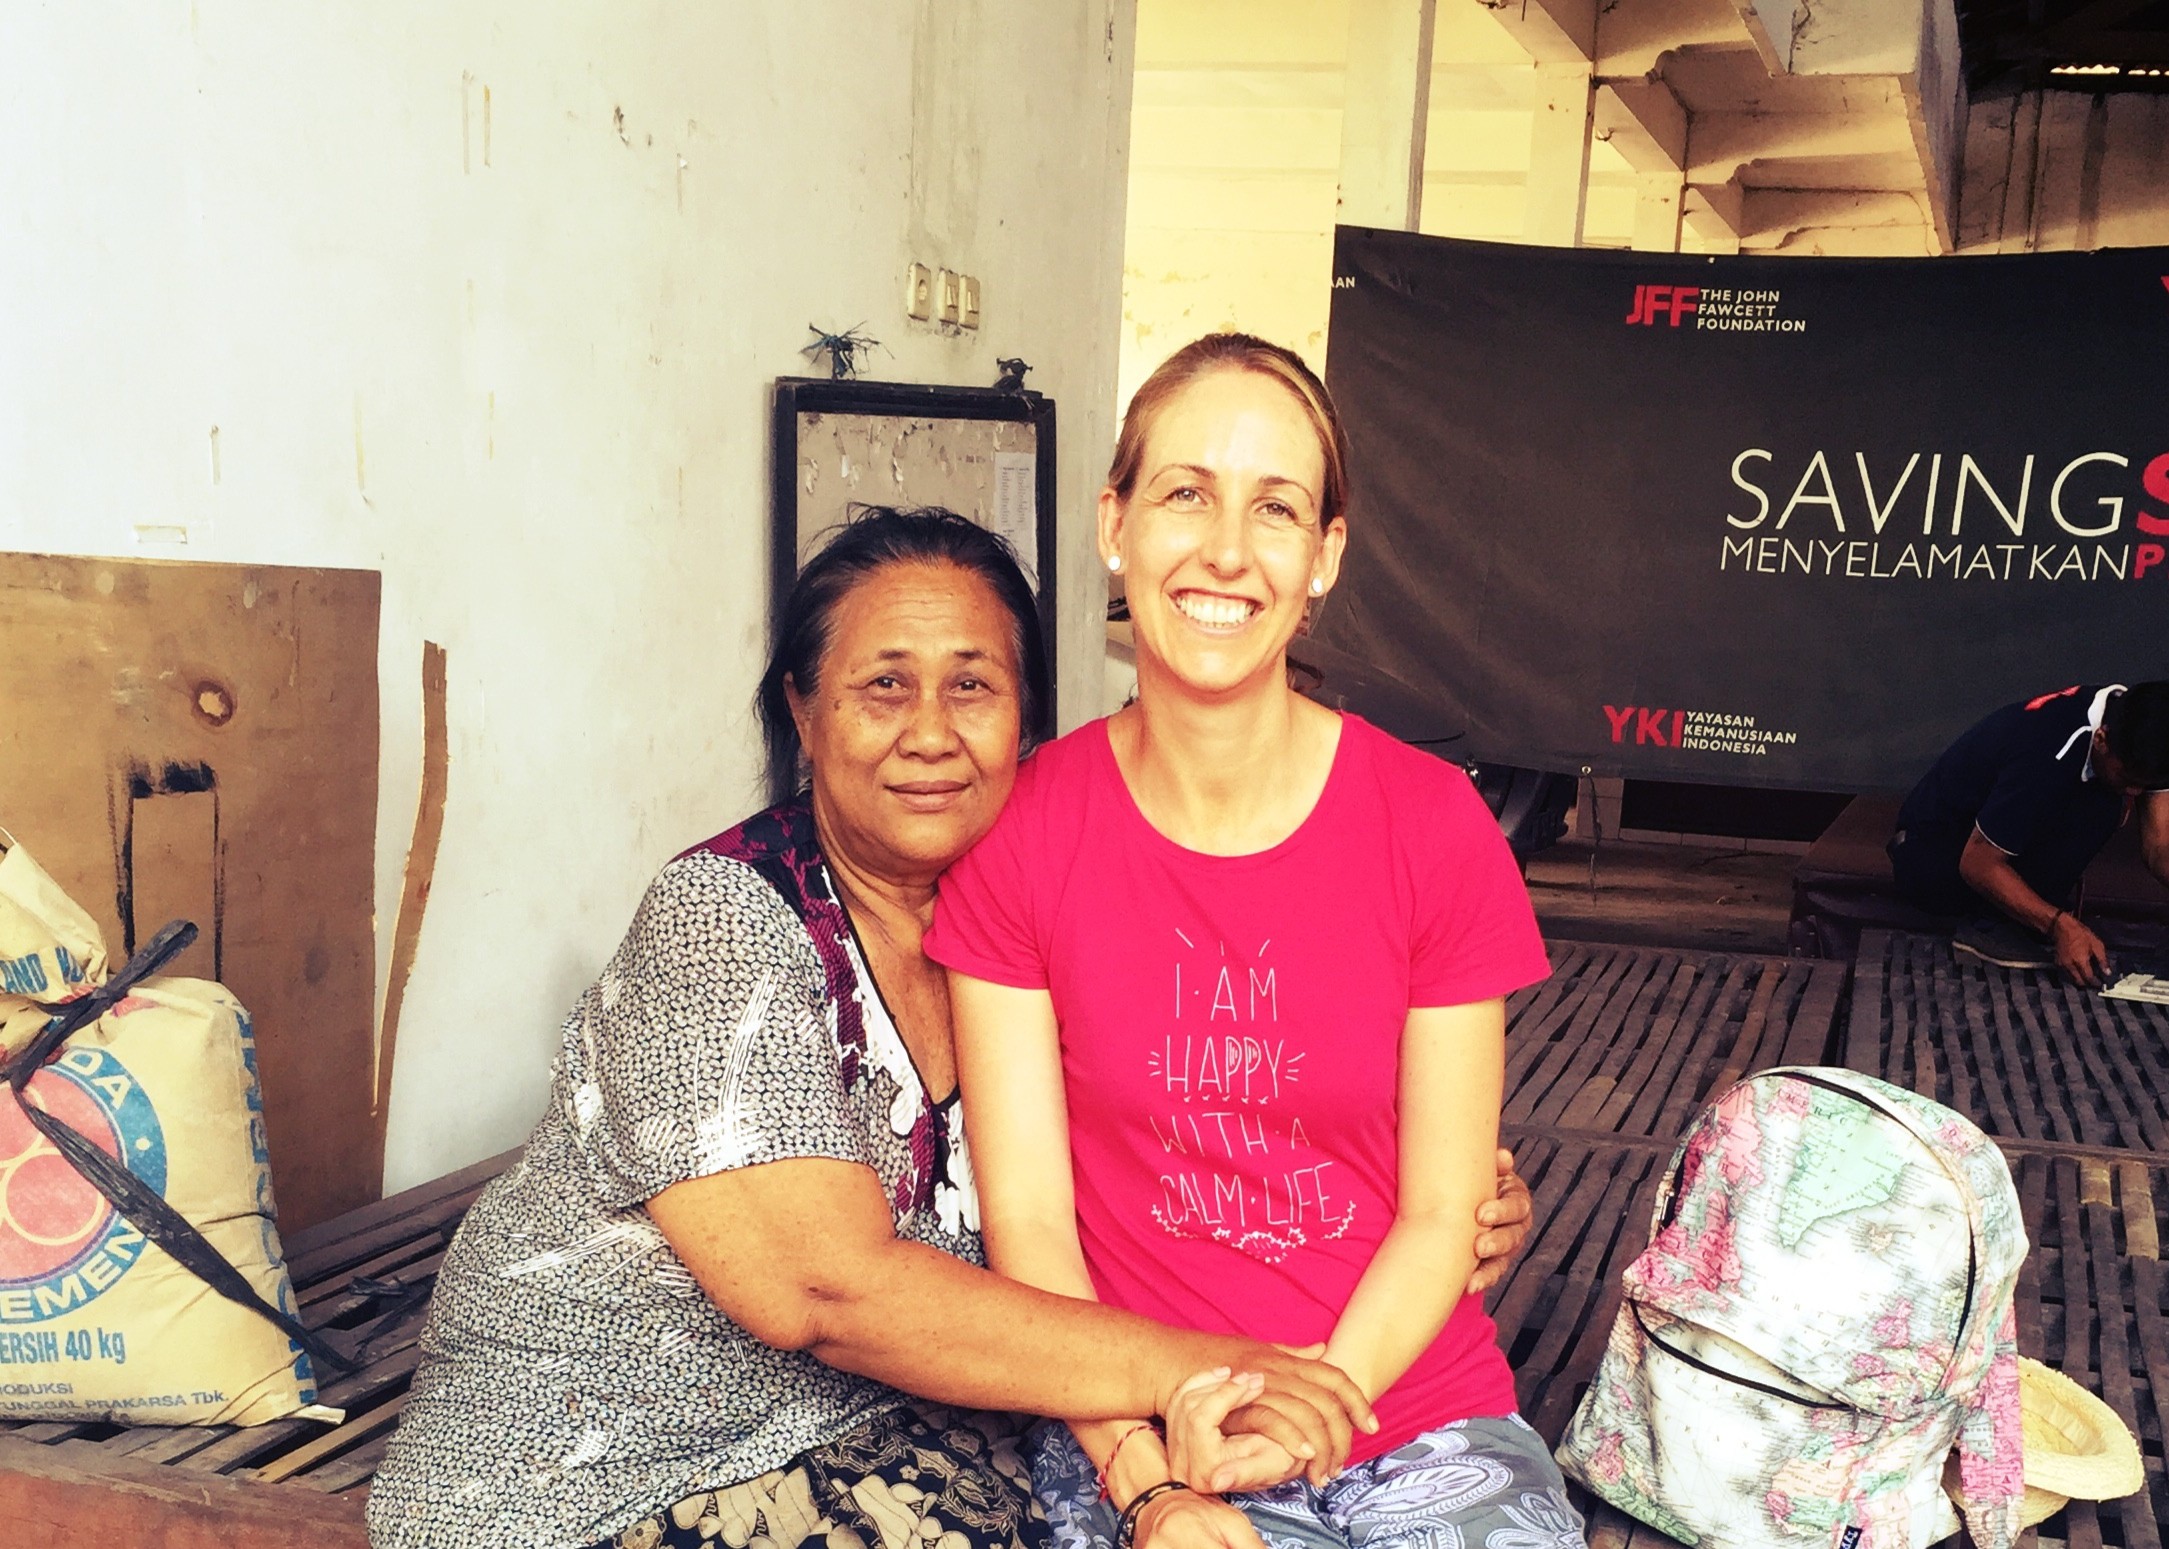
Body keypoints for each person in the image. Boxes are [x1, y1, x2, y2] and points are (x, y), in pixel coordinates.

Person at [367, 507, 1534, 1549]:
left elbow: (1201, 1110)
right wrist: (1227, 1374)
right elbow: (826, 1292)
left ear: (1025, 720)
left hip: (895, 1446)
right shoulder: (722, 923)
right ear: (804, 711)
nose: (930, 731)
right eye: (885, 685)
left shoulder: (1034, 912)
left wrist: (1434, 1198)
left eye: (972, 686)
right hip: (605, 1472)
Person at [927, 335, 1586, 1549]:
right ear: (1115, 523)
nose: (1227, 550)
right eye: (1186, 493)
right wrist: (1146, 1477)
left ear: (1323, 554)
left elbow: (1444, 1209)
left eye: (1275, 508)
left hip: (1414, 1412)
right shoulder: (1026, 831)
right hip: (1142, 1422)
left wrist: (1313, 1408)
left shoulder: (1431, 825)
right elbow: (1032, 1224)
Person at [1889, 682, 2169, 985]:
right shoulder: (2050, 748)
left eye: (2144, 784)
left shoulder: (2146, 733)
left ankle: (2024, 919)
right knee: (2101, 803)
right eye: (2127, 778)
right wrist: (2059, 925)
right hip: (1932, 856)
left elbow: (2160, 845)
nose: (2135, 791)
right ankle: (1989, 926)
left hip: (1981, 848)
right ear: (2101, 740)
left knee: (2108, 795)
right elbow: (1977, 862)